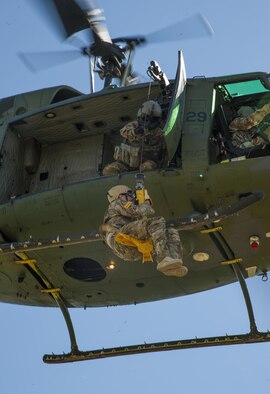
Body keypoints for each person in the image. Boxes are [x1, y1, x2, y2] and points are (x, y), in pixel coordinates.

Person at [99, 185, 188, 277]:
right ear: (120, 195)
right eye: (129, 195)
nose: (131, 198)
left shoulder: (129, 214)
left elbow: (141, 221)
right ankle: (163, 258)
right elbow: (141, 211)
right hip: (119, 238)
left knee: (170, 231)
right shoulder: (117, 203)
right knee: (157, 221)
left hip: (131, 250)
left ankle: (172, 265)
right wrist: (146, 202)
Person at [102, 100, 167, 175]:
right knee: (109, 170)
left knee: (148, 169)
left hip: (146, 163)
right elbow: (123, 132)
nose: (148, 122)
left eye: (152, 120)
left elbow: (163, 152)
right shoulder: (134, 125)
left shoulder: (159, 133)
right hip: (126, 163)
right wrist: (135, 131)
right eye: (145, 118)